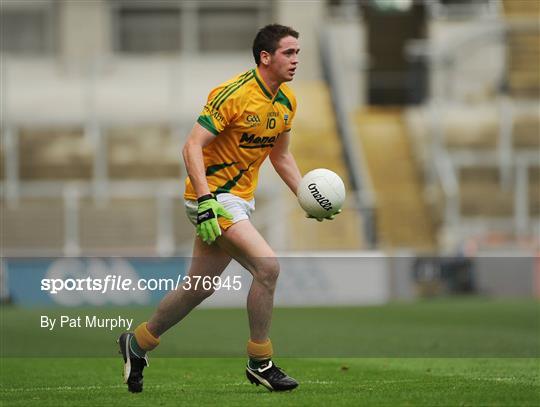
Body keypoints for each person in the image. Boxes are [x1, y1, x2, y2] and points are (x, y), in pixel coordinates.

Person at [118, 23, 339, 393]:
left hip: (237, 202)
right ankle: (260, 362)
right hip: (212, 197)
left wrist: (307, 195)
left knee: (198, 287)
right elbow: (191, 147)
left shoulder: (287, 102)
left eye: (298, 52)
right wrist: (205, 201)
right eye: (289, 52)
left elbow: (280, 156)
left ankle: (137, 344)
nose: (296, 60)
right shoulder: (232, 94)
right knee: (267, 267)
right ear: (265, 57)